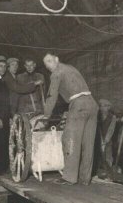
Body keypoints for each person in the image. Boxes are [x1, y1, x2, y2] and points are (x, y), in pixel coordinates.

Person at [42, 53, 98, 185]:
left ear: (57, 59)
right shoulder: (71, 68)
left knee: (69, 139)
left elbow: (52, 96)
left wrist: (46, 115)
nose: (48, 66)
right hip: (92, 104)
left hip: (78, 105)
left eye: (50, 61)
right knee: (88, 143)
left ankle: (69, 177)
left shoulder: (56, 73)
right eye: (46, 64)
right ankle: (85, 178)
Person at [95, 99, 118, 180]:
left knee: (108, 158)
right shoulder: (96, 116)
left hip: (107, 141)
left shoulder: (112, 117)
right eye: (100, 106)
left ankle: (109, 176)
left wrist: (105, 141)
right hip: (97, 141)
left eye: (104, 106)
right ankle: (97, 174)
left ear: (108, 107)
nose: (101, 108)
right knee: (97, 157)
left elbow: (111, 129)